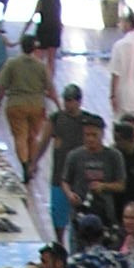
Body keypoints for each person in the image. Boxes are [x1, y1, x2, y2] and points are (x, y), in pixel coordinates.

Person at [0, 32, 58, 180]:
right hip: (37, 105)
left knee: (20, 137)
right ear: (34, 48)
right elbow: (50, 88)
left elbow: (2, 86)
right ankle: (32, 164)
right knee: (33, 137)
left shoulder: (12, 64)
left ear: (21, 47)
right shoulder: (40, 66)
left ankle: (24, 164)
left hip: (16, 105)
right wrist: (59, 106)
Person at [61, 114, 127, 246]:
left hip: (104, 215)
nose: (90, 139)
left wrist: (104, 186)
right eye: (86, 135)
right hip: (79, 214)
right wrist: (69, 194)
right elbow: (65, 180)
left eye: (94, 135)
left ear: (102, 134)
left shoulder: (114, 156)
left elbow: (121, 185)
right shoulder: (74, 156)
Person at [41, 83, 88, 235]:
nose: (67, 104)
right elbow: (43, 141)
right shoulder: (55, 119)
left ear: (79, 101)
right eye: (66, 100)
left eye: (71, 100)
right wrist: (34, 162)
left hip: (80, 178)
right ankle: (60, 245)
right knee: (58, 218)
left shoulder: (87, 121)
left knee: (79, 218)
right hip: (59, 176)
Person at [30, 0, 62, 73]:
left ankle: (38, 79)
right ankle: (50, 82)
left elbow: (34, 14)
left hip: (43, 30)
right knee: (51, 60)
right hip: (55, 29)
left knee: (38, 57)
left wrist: (24, 31)